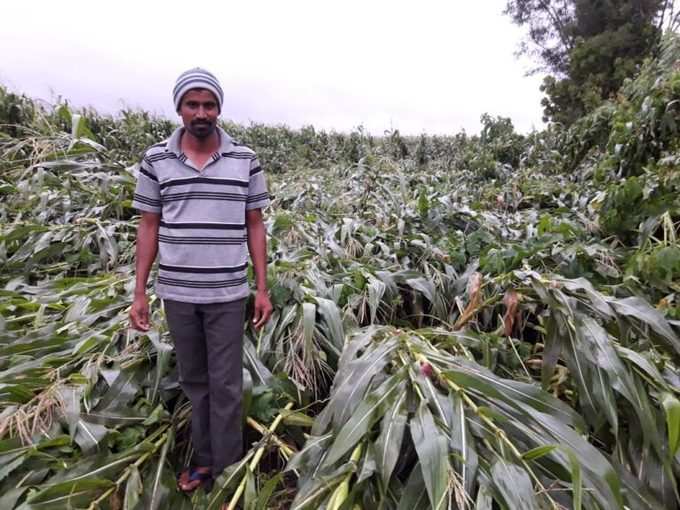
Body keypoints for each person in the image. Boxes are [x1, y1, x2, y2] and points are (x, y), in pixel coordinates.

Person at [129, 68, 273, 493]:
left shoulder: (244, 159)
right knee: (195, 380)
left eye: (209, 104)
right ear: (179, 109)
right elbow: (149, 226)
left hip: (228, 291)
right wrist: (138, 291)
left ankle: (225, 470)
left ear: (220, 108)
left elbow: (255, 224)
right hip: (176, 291)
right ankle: (207, 459)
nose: (201, 112)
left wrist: (261, 288)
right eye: (192, 104)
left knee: (225, 383)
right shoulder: (156, 160)